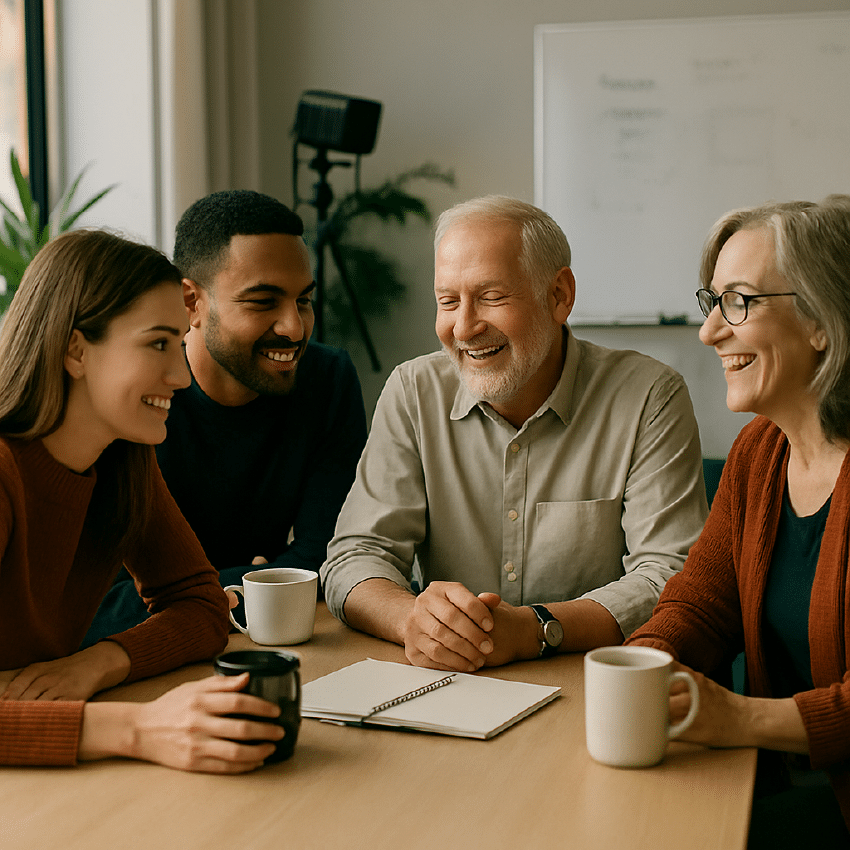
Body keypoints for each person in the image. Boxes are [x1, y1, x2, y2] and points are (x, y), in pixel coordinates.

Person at [321, 196, 708, 672]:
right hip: (449, 681)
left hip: (590, 684)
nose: (464, 327)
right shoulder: (412, 391)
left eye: (491, 297)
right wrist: (412, 620)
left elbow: (671, 577)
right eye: (448, 301)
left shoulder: (649, 395)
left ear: (559, 296)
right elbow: (355, 556)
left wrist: (533, 629)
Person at [0, 229, 284, 772]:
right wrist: (137, 727)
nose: (180, 376)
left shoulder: (121, 459)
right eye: (158, 344)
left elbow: (202, 606)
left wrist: (95, 665)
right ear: (75, 349)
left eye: (180, 344)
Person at [626, 195, 850, 846]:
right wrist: (642, 669)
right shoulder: (759, 453)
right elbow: (699, 610)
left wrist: (740, 718)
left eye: (739, 302)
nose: (709, 332)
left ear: (823, 320)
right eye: (712, 302)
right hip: (788, 791)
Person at [84, 190, 367, 643]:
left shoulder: (328, 379)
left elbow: (330, 554)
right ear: (191, 303)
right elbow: (97, 604)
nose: (294, 327)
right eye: (262, 302)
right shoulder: (138, 403)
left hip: (260, 641)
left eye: (304, 301)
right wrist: (261, 576)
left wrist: (207, 587)